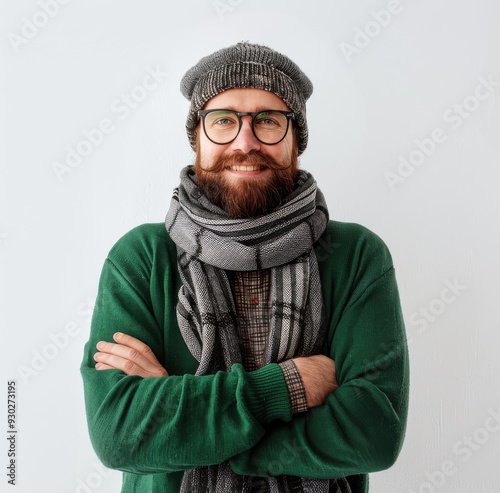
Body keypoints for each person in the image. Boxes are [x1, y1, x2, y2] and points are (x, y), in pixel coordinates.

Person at [81, 42, 409, 493]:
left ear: (297, 139)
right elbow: (119, 436)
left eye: (268, 121)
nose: (245, 142)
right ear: (197, 138)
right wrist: (288, 387)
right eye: (223, 121)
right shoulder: (140, 258)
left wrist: (182, 413)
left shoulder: (356, 256)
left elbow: (374, 433)